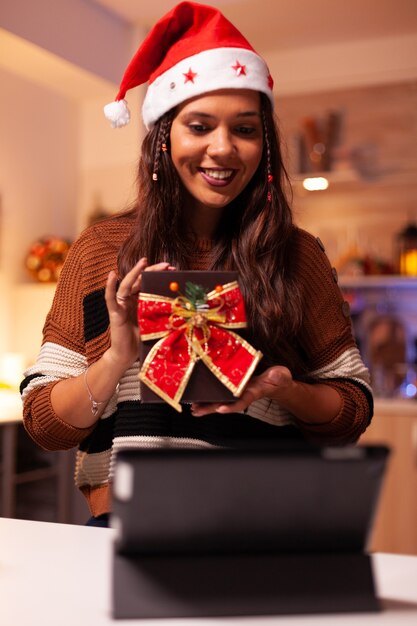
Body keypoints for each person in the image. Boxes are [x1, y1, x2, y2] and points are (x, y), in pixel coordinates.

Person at [21, 1, 373, 527]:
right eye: (200, 126)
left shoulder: (297, 256)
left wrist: (285, 389)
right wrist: (118, 357)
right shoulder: (100, 250)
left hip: (261, 527)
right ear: (164, 137)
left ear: (266, 145)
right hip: (123, 527)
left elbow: (352, 409)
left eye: (246, 129)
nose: (223, 149)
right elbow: (45, 423)